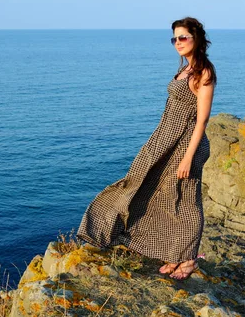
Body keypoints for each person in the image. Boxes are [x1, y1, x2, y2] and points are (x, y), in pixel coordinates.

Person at [77, 17, 217, 280]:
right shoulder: (186, 69)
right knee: (148, 188)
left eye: (183, 37)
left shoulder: (204, 73)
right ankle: (171, 252)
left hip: (186, 144)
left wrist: (187, 158)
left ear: (196, 38)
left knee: (185, 200)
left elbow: (202, 119)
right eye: (174, 38)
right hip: (166, 139)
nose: (178, 42)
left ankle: (188, 260)